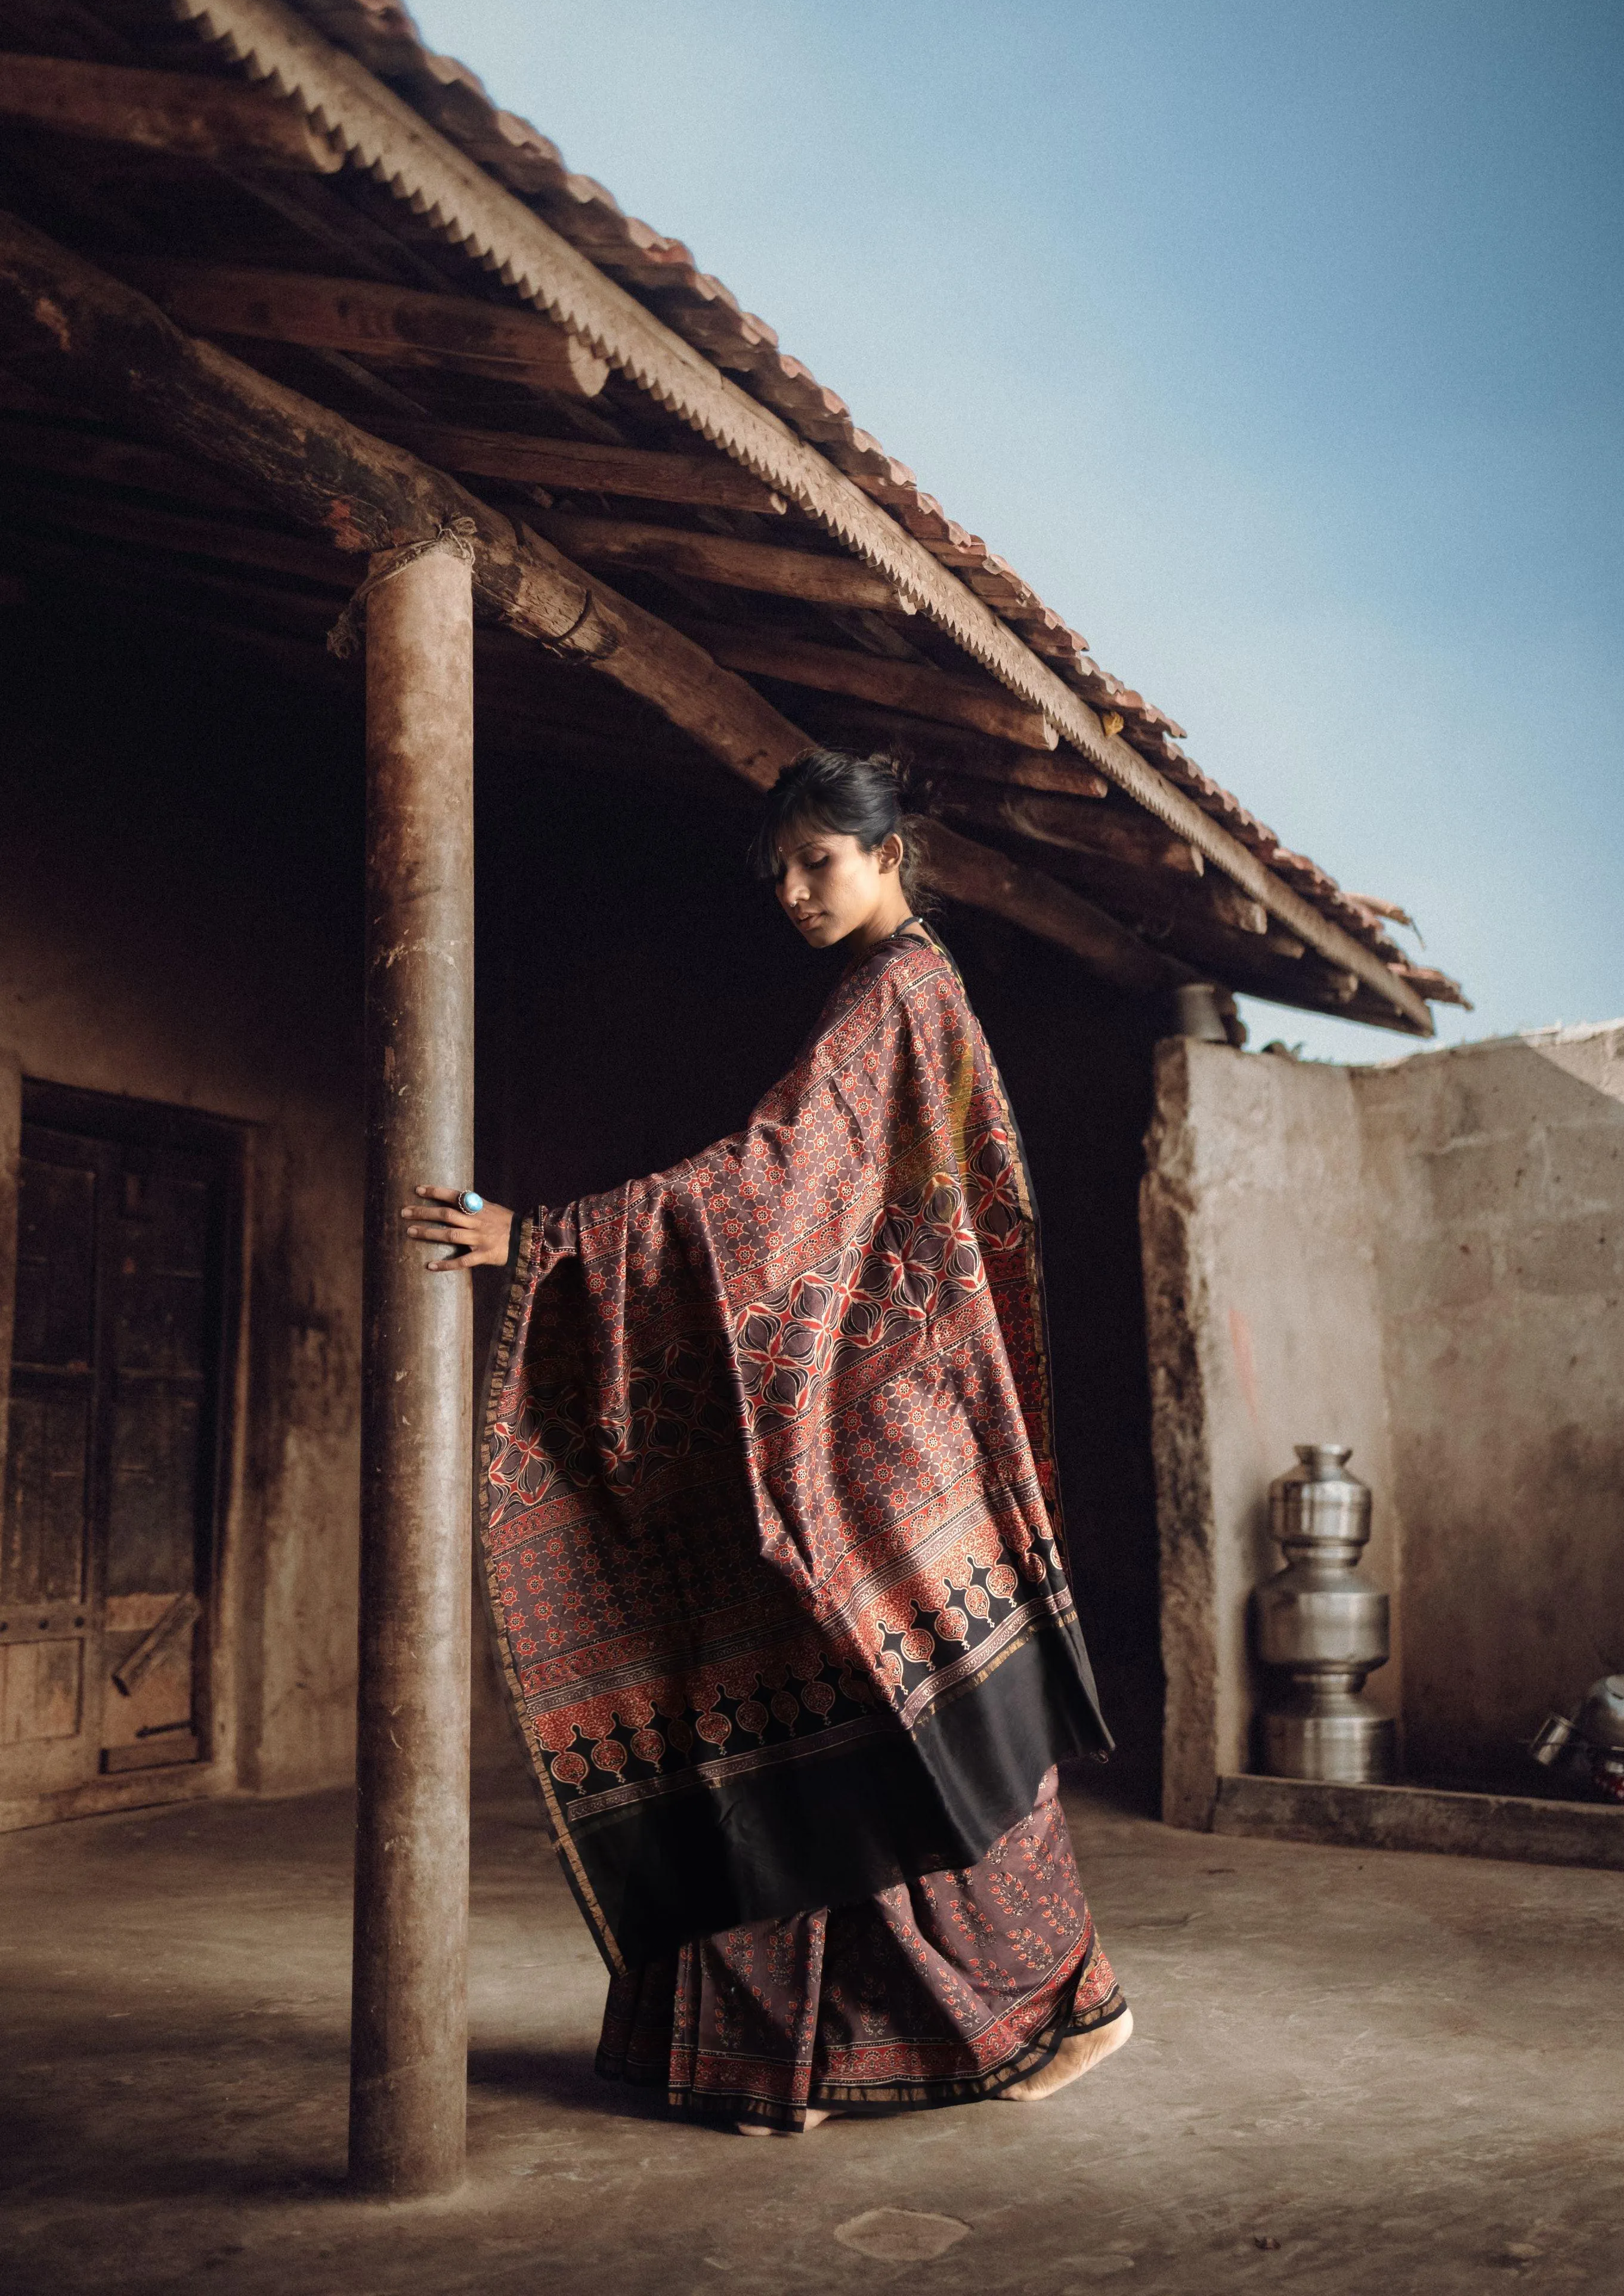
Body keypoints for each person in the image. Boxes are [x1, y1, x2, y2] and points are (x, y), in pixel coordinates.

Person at [404, 749, 1132, 2134]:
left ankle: (1026, 2006)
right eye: (780, 871)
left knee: (847, 1690)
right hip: (886, 1414)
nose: (796, 892)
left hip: (877, 1427)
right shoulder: (892, 991)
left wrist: (543, 1242)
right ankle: (807, 2055)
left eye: (822, 862)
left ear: (890, 853)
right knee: (808, 1699)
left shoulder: (899, 994)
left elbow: (773, 1183)